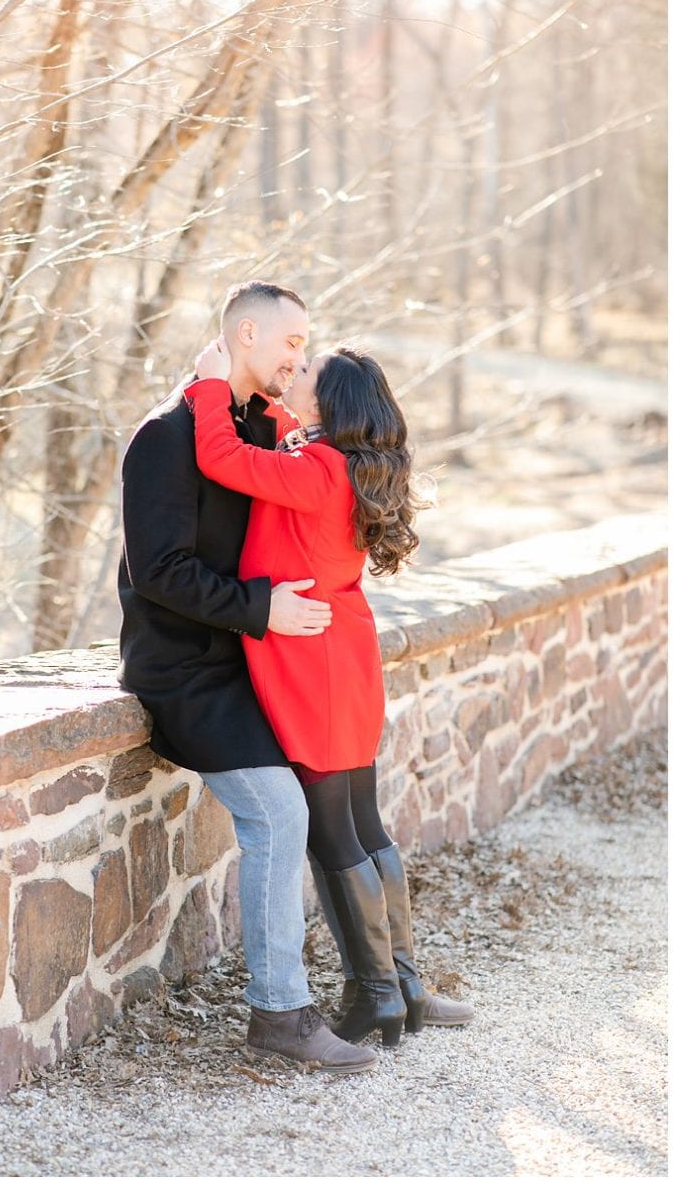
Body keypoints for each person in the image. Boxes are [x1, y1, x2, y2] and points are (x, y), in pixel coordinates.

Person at [117, 280, 378, 1074]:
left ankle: (388, 982)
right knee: (278, 811)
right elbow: (160, 571)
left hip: (253, 661)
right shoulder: (164, 435)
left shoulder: (259, 428)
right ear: (248, 335)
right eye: (293, 345)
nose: (301, 359)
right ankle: (280, 1012)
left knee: (337, 800)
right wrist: (263, 609)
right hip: (185, 669)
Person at [187, 335, 474, 1042]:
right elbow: (287, 442)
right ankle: (400, 982)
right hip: (344, 650)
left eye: (307, 369)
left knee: (331, 827)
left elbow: (220, 457)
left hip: (312, 659)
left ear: (326, 399)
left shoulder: (317, 470)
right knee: (363, 820)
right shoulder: (340, 465)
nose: (298, 367)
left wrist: (208, 387)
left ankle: (378, 991)